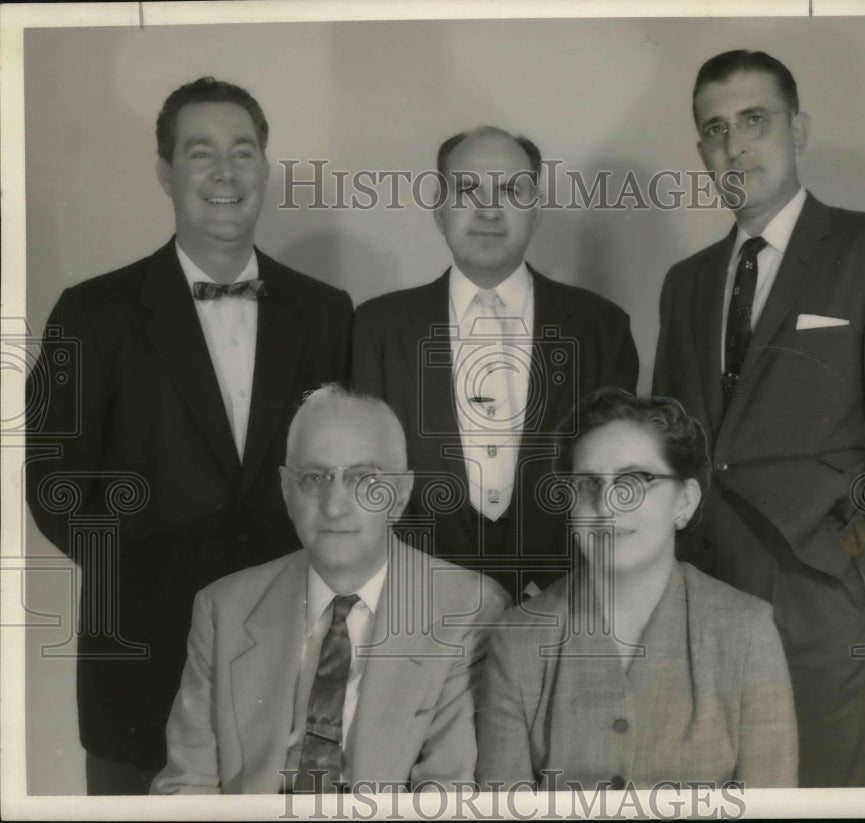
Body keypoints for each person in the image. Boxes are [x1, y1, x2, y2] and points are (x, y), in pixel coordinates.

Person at [23, 77, 354, 794]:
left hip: (291, 662)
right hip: (143, 664)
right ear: (166, 173)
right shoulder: (92, 311)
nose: (226, 171)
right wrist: (171, 566)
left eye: (244, 151)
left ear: (265, 168)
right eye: (200, 153)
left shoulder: (327, 312)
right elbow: (54, 487)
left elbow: (344, 478)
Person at [651, 50, 865, 786]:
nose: (735, 144)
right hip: (701, 604)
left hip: (821, 603)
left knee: (820, 796)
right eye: (715, 128)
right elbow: (673, 449)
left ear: (800, 129)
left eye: (754, 120)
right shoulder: (685, 283)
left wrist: (854, 580)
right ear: (702, 150)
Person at [151, 384, 509, 794]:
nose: (335, 505)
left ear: (402, 493)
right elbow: (185, 789)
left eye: (363, 478)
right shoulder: (222, 608)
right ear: (287, 490)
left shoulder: (470, 609)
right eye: (314, 478)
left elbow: (448, 797)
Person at [352, 126, 639, 600]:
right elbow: (368, 482)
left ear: (536, 209)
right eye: (467, 190)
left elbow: (613, 484)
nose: (488, 209)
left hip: (566, 605)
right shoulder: (377, 328)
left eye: (511, 190)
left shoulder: (601, 328)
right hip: (417, 606)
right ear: (438, 210)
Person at [474, 388, 797, 790]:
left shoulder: (747, 631)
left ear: (685, 501)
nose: (607, 506)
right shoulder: (517, 640)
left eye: (634, 481)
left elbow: (772, 807)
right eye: (589, 484)